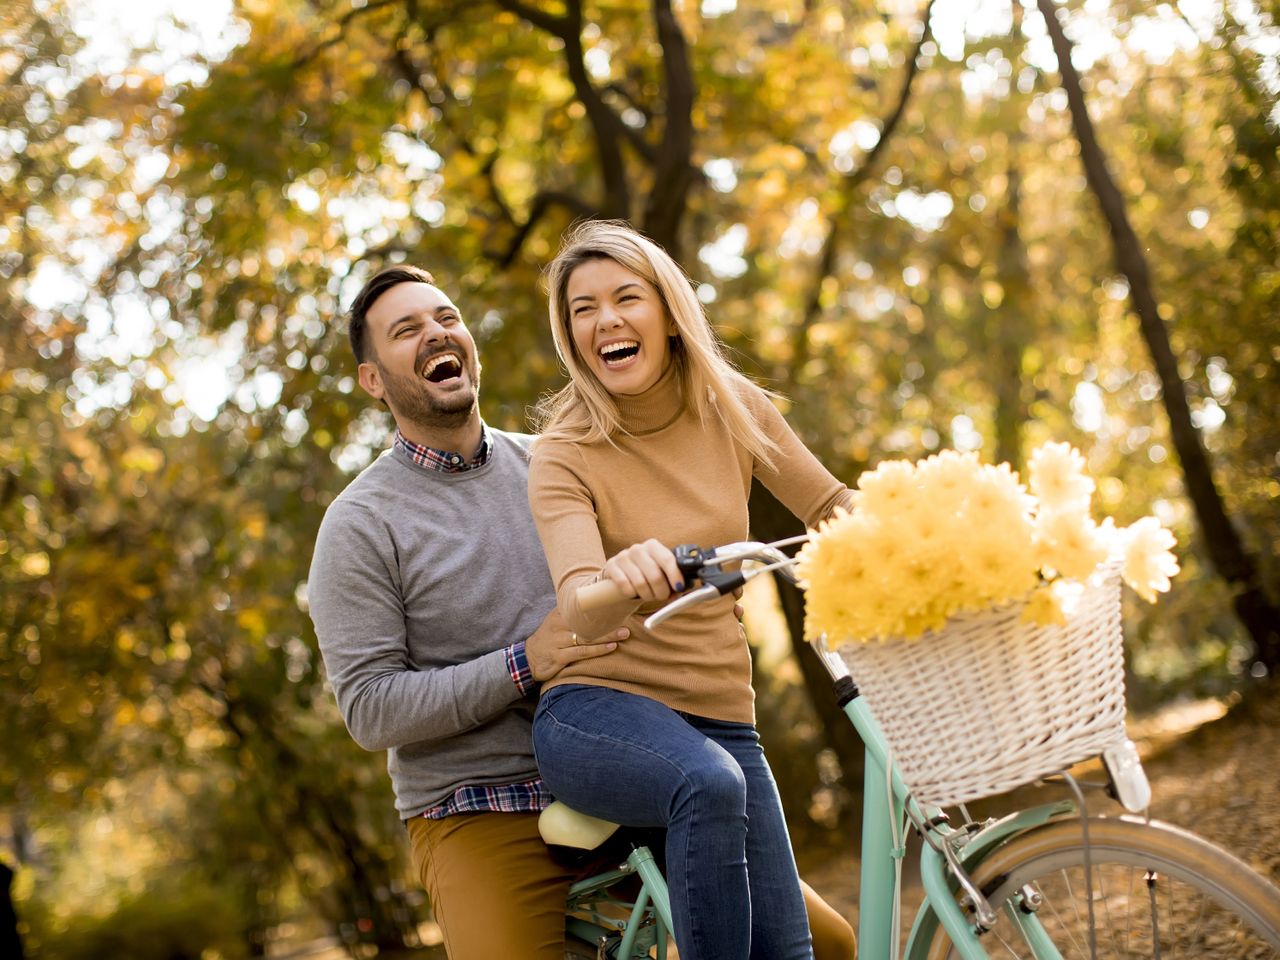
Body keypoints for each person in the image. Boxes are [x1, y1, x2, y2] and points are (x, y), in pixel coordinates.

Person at [307, 264, 856, 960]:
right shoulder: (360, 524)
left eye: (446, 318)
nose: (435, 334)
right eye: (406, 330)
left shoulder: (554, 457)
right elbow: (370, 710)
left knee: (829, 945)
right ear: (373, 380)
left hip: (640, 758)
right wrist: (523, 665)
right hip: (481, 803)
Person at [528, 220, 856, 960]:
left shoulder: (731, 405)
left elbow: (830, 508)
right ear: (570, 333)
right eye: (583, 309)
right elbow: (578, 603)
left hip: (721, 719)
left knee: (790, 953)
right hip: (595, 712)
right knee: (708, 783)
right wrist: (619, 576)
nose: (605, 320)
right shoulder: (563, 451)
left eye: (625, 298)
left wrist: (937, 526)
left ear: (668, 312)